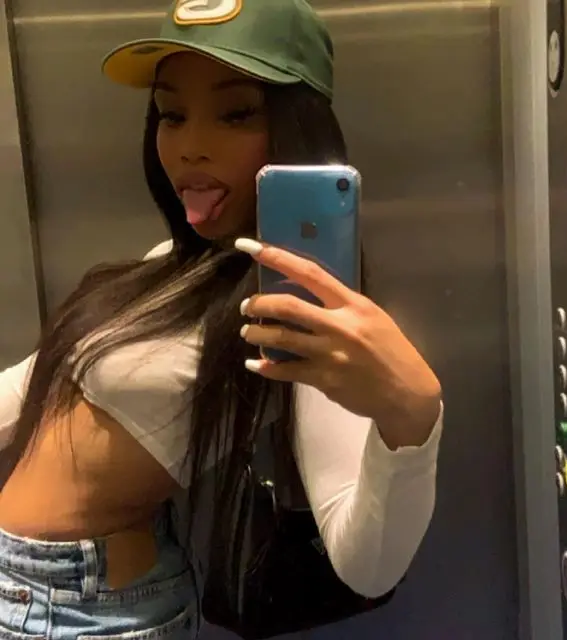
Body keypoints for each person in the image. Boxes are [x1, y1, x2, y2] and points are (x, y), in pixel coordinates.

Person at [0, 0, 444, 638]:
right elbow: (31, 389)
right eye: (171, 115)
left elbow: (367, 567)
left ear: (297, 130)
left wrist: (411, 419)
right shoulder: (169, 266)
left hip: (75, 613)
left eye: (235, 114)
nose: (190, 148)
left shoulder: (297, 312)